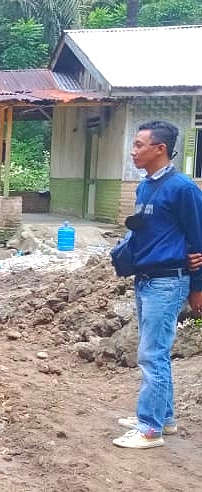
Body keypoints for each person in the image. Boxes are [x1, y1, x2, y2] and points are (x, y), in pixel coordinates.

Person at [111, 121, 202, 449]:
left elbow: (198, 239)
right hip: (146, 280)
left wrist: (197, 288)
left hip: (168, 281)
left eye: (138, 145)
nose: (133, 151)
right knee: (155, 352)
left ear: (159, 149)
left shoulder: (183, 189)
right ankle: (164, 418)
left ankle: (150, 430)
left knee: (153, 354)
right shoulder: (145, 187)